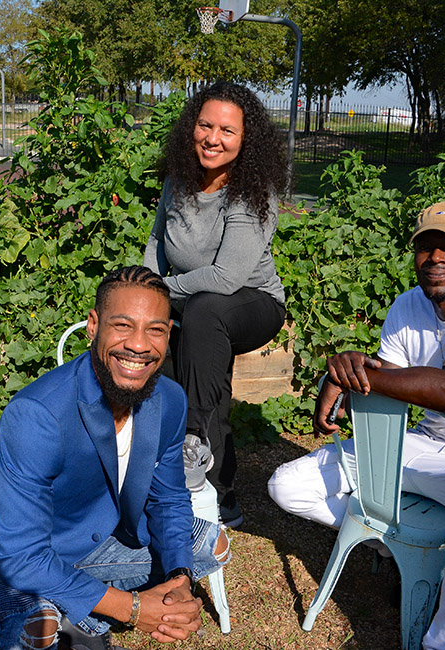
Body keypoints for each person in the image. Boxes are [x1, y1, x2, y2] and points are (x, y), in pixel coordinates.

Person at [268, 201, 445, 650]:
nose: (436, 258)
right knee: (288, 486)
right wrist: (351, 374)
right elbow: (384, 394)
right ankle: (393, 548)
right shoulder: (407, 305)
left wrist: (358, 377)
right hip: (426, 446)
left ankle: (444, 641)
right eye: (425, 247)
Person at [0, 266, 231, 650]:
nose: (139, 345)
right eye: (123, 325)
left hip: (96, 543)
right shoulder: (36, 414)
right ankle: (62, 613)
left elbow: (168, 499)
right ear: (93, 326)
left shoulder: (169, 399)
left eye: (156, 329)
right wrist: (132, 609)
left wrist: (179, 578)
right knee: (37, 632)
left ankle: (80, 605)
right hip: (10, 557)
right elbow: (20, 554)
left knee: (210, 544)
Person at [144, 81, 287, 529]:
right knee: (161, 336)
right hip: (196, 301)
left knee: (204, 312)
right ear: (192, 127)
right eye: (205, 125)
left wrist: (160, 293)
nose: (213, 138)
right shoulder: (178, 180)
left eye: (227, 130)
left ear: (247, 140)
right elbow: (155, 243)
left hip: (252, 304)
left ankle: (201, 452)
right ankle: (180, 479)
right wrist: (144, 292)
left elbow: (227, 279)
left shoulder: (250, 192)